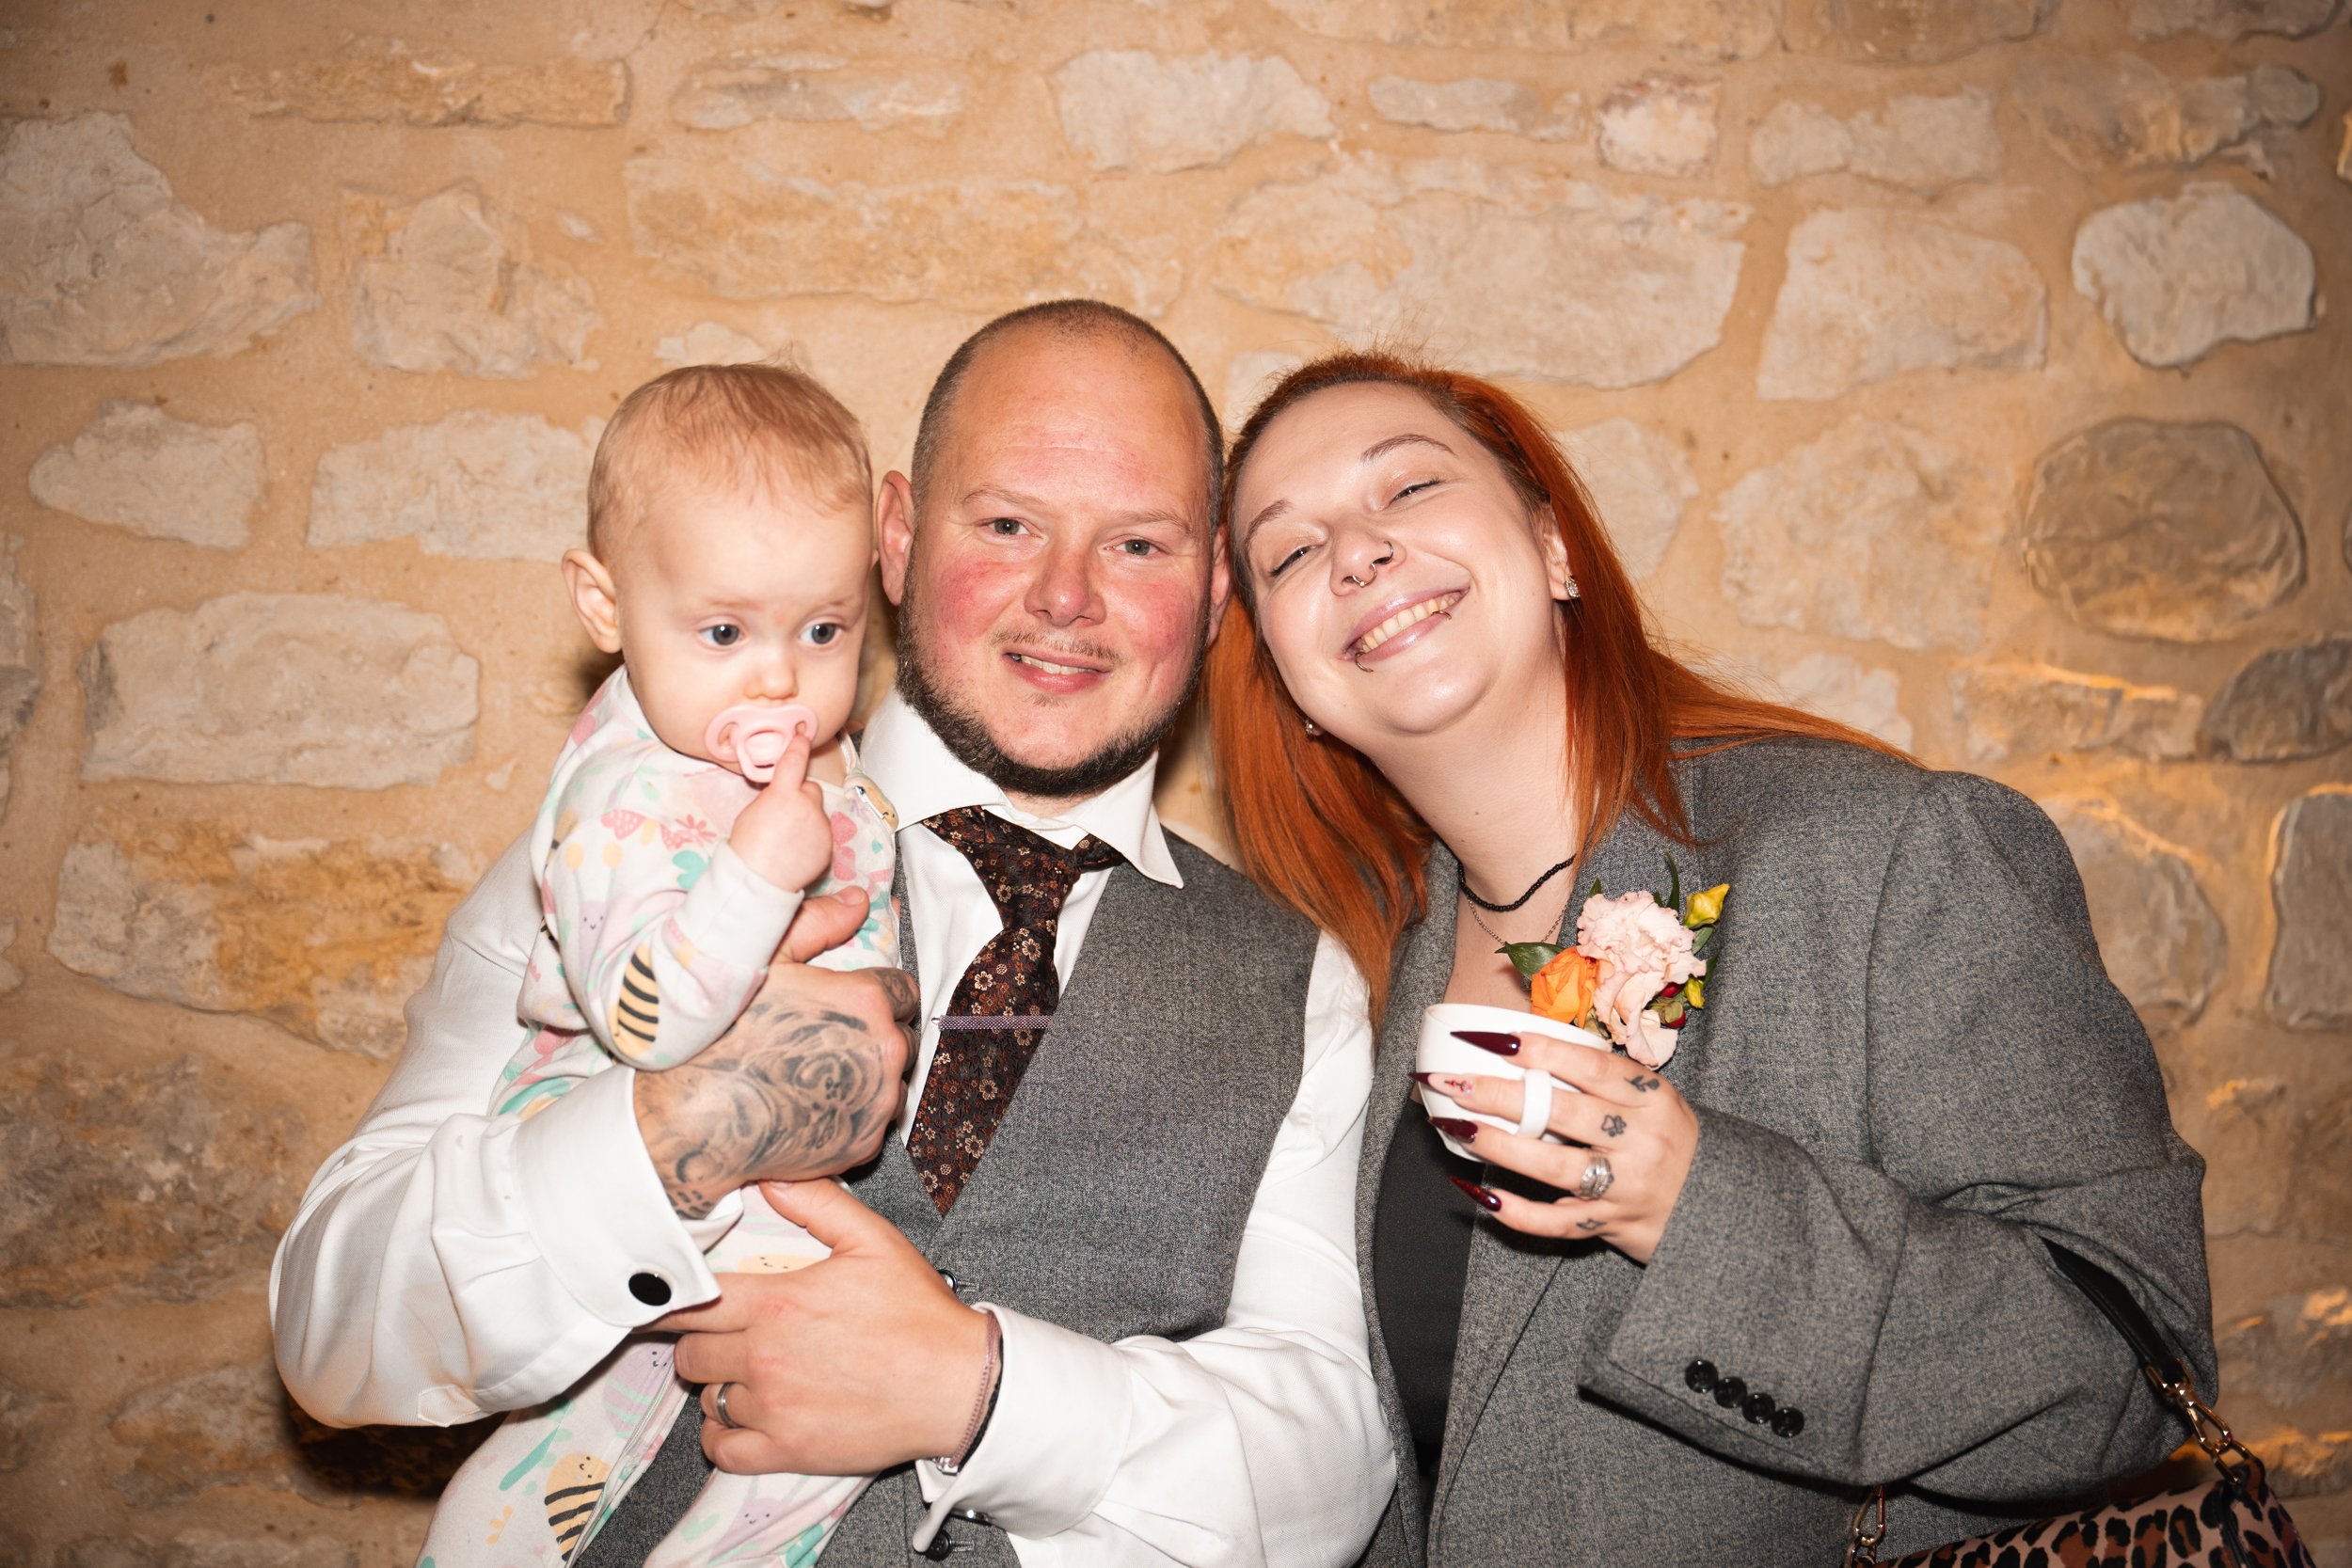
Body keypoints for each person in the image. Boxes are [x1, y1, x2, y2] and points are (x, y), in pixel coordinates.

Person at [269, 302, 1393, 1567]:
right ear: (896, 540)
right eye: (1009, 524)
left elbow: (1334, 1461)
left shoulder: (1298, 987)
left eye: (1138, 542)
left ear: (1214, 592)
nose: (1067, 594)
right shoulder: (632, 849)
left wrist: (983, 1388)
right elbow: (333, 1329)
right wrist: (666, 1137)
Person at [1203, 351, 2216, 1566]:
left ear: (1557, 547)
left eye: (1409, 488)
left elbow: (2130, 1362)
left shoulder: (1887, 850)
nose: (1357, 551)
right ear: (1294, 682)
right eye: (1292, 551)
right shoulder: (1351, 991)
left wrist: (1699, 1206)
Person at [419, 363, 903, 1567]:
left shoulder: (829, 775)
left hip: (759, 1177)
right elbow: (647, 1018)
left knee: (598, 1433)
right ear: (604, 604)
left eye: (824, 630)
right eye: (725, 630)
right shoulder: (621, 796)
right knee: (831, 1393)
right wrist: (754, 872)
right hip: (616, 1143)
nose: (778, 677)